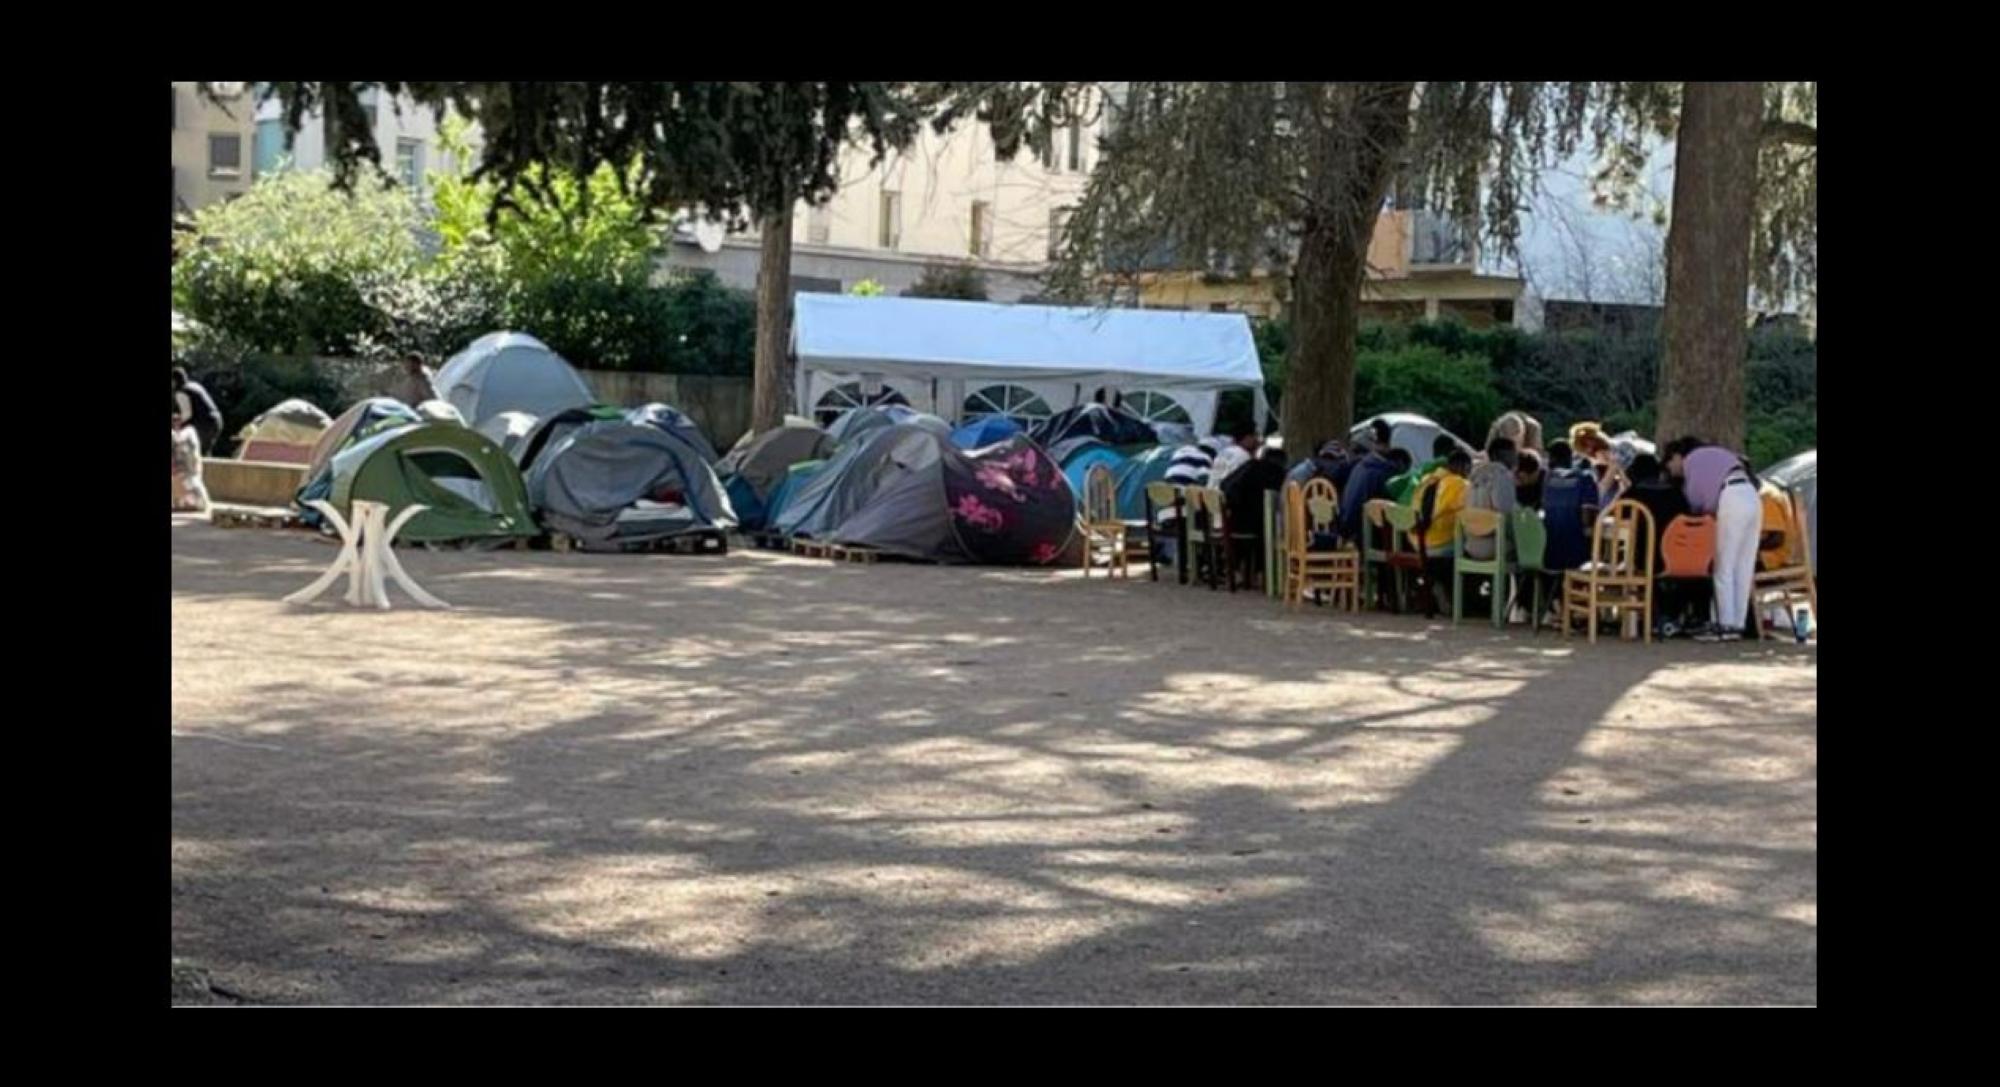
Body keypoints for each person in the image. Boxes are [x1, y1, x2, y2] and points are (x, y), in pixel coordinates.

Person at [1664, 435, 1761, 642]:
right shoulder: (1717, 454)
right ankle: (1738, 622)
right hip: (1751, 496)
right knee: (1743, 565)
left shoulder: (1692, 462)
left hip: (1731, 497)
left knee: (1723, 567)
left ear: (1677, 456)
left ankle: (1725, 624)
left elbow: (1697, 504)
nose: (1671, 469)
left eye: (1669, 462)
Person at [1623, 453, 1702, 635]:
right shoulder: (1675, 493)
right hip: (1679, 556)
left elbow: (1614, 519)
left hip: (1643, 558)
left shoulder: (1633, 495)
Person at [1410, 449, 1472, 614]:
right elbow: (1471, 511)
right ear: (1464, 467)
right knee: (1472, 548)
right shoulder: (1460, 484)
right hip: (1440, 545)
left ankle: (1436, 585)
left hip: (1418, 542)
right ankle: (1461, 601)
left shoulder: (1426, 480)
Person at [1462, 436, 1518, 562]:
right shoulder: (1502, 475)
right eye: (1514, 453)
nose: (1516, 458)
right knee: (1529, 548)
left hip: (1471, 545)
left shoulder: (1473, 478)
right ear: (1506, 455)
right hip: (1494, 546)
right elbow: (1506, 512)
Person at [1337, 444, 1409, 542]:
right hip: (1363, 535)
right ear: (1400, 464)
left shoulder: (1360, 467)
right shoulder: (1387, 474)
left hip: (1346, 528)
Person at [1389, 434, 1458, 505]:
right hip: (1418, 512)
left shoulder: (1422, 468)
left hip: (1401, 507)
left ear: (1434, 452)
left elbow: (1391, 486)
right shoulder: (1448, 473)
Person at [171, 366, 224, 455]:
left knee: (197, 452)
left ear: (174, 381)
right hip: (215, 421)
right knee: (204, 452)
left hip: (204, 424)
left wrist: (176, 423)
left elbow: (187, 414)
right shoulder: (194, 385)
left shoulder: (181, 391)